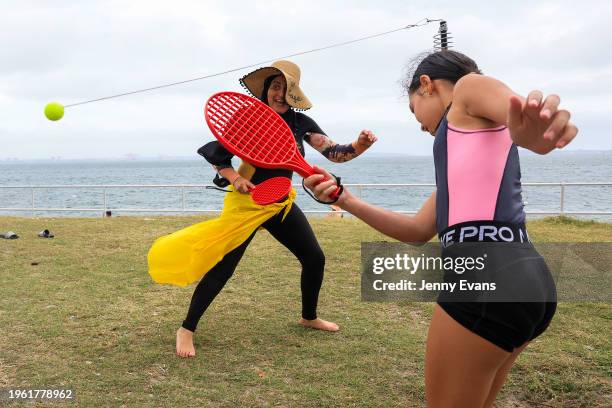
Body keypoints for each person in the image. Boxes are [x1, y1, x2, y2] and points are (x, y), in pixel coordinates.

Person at [304, 50, 577, 407]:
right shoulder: (460, 161)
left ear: (426, 86)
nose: (419, 124)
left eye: (413, 109)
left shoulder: (467, 88)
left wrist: (535, 132)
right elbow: (417, 230)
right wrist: (346, 200)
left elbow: (513, 110)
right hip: (528, 277)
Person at [148, 60, 377, 358]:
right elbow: (218, 156)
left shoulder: (300, 123)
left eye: (286, 88)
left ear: (294, 94)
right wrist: (235, 178)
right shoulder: (248, 118)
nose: (279, 93)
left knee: (314, 258)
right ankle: (186, 329)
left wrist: (359, 145)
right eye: (275, 86)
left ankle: (309, 317)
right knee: (223, 268)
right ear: (267, 88)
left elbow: (334, 153)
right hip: (247, 204)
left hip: (280, 203)